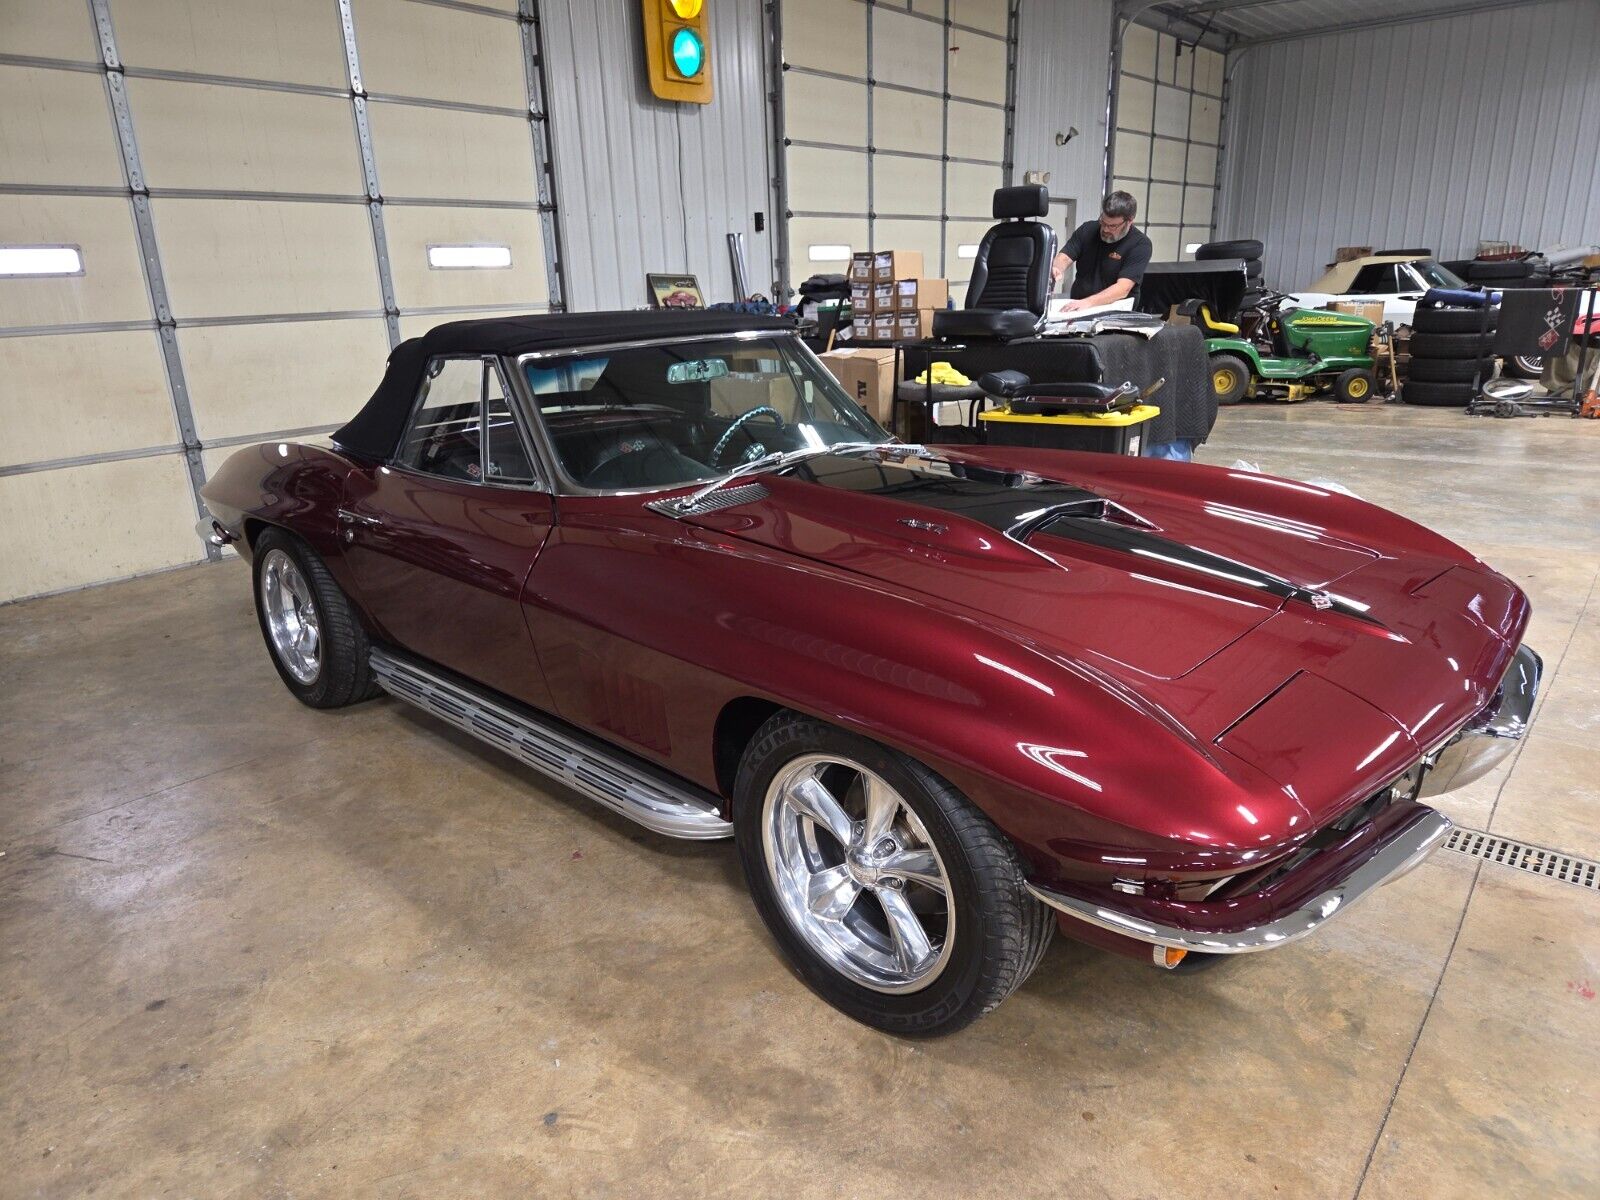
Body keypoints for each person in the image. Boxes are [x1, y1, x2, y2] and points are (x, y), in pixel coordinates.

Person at [1050, 191, 1153, 313]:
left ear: (1129, 221)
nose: (1105, 229)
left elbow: (1123, 288)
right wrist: (1056, 268)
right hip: (1079, 305)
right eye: (1103, 222)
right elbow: (1065, 257)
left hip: (1115, 312)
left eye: (1112, 226)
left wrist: (1088, 302)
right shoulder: (1087, 230)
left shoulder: (1140, 244)